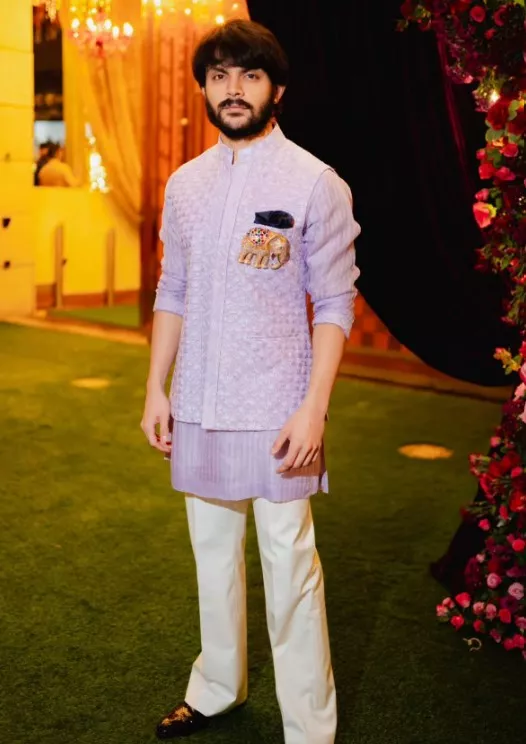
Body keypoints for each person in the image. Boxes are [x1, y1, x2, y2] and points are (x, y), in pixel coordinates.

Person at [141, 19, 361, 744]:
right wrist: (156, 388)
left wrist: (314, 410)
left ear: (277, 89)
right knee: (213, 557)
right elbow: (172, 290)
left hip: (278, 411)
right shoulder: (185, 185)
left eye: (250, 75)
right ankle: (216, 688)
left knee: (289, 567)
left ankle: (310, 728)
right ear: (205, 88)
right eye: (219, 76)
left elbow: (335, 304)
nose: (233, 89)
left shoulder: (315, 183)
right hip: (199, 404)